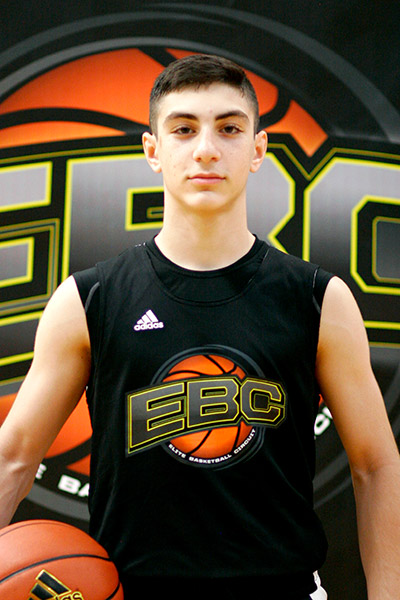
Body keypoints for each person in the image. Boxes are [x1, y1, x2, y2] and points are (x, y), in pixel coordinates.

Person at [0, 54, 399, 600]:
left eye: (229, 128)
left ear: (257, 149)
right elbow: (15, 456)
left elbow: (376, 466)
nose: (206, 148)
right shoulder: (89, 299)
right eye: (184, 129)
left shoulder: (317, 298)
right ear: (153, 151)